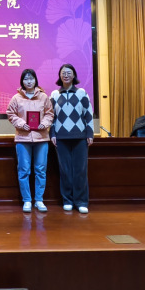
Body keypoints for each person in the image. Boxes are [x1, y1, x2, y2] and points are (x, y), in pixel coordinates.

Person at [6, 68, 54, 213]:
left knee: (40, 170)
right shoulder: (16, 98)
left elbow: (50, 113)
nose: (29, 81)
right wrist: (21, 123)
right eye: (26, 79)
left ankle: (39, 200)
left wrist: (44, 123)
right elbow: (10, 114)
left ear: (35, 80)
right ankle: (27, 200)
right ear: (22, 81)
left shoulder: (43, 97)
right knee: (23, 170)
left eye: (31, 78)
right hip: (23, 138)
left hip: (41, 138)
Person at [50, 64, 94, 214]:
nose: (66, 75)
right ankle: (67, 200)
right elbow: (51, 117)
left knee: (80, 170)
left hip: (80, 137)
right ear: (59, 76)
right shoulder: (54, 94)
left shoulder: (82, 93)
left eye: (69, 73)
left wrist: (90, 134)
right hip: (61, 138)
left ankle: (81, 201)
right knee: (65, 170)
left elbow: (88, 114)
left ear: (74, 75)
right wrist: (52, 134)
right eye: (63, 73)